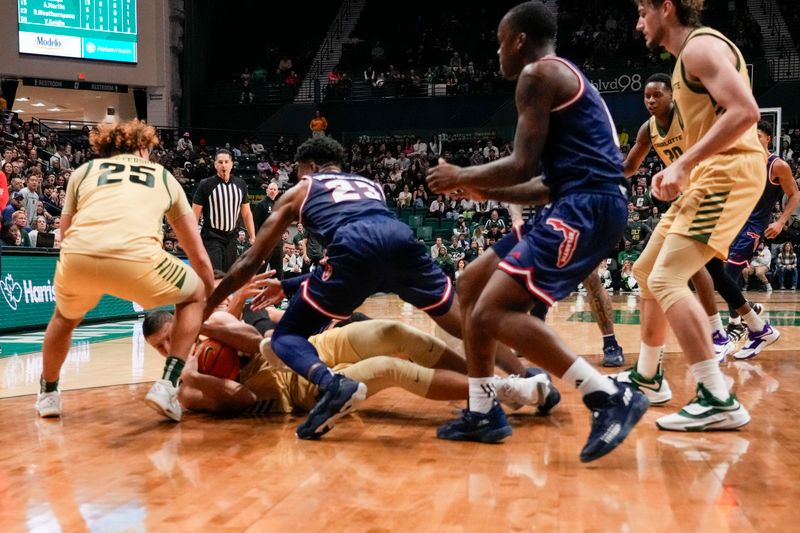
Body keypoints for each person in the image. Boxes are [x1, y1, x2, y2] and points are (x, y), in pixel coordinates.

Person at [426, 1, 648, 462]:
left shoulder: (537, 75)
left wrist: (463, 174)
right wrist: (487, 193)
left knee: (491, 312)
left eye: (500, 42)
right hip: (575, 201)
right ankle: (484, 410)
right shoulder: (560, 77)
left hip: (588, 207)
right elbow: (545, 184)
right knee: (469, 285)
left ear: (519, 39)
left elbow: (521, 163)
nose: (498, 53)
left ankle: (607, 395)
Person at [206, 136, 531, 440]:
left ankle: (332, 385)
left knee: (285, 338)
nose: (298, 176)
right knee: (464, 322)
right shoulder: (369, 184)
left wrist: (208, 304)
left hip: (353, 251)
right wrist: (289, 285)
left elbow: (249, 261)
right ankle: (520, 383)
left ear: (312, 168)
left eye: (300, 170)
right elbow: (375, 245)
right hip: (401, 240)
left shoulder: (303, 189)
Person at [626, 0, 765, 431]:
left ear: (665, 8)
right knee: (647, 270)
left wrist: (682, 164)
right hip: (706, 177)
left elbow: (747, 113)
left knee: (669, 278)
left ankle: (716, 395)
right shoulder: (687, 60)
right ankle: (648, 379)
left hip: (728, 174)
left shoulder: (699, 50)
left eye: (642, 11)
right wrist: (679, 170)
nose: (638, 23)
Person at [34, 119, 214, 422]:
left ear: (108, 148)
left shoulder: (84, 171)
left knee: (63, 318)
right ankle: (168, 385)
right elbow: (196, 253)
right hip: (138, 260)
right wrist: (211, 295)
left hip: (78, 256)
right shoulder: (163, 175)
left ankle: (48, 394)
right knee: (193, 293)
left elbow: (64, 232)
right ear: (143, 148)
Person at [143, 299, 555, 417]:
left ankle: (488, 378)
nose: (166, 351)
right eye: (159, 349)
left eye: (167, 339)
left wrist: (202, 328)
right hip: (299, 389)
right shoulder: (182, 385)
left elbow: (254, 339)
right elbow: (243, 398)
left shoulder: (210, 325)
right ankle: (505, 390)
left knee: (395, 332)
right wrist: (194, 377)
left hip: (308, 348)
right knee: (391, 369)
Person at [621, 71, 769, 366]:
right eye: (647, 96)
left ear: (672, 95)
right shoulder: (647, 129)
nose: (651, 100)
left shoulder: (689, 116)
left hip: (715, 191)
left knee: (680, 272)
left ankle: (718, 337)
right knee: (648, 272)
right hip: (689, 197)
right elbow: (629, 166)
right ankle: (753, 324)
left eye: (657, 95)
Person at [723, 121, 798, 346]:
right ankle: (750, 309)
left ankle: (735, 324)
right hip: (734, 224)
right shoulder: (742, 163)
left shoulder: (777, 165)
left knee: (728, 275)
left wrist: (780, 221)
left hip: (754, 228)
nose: (753, 139)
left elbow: (794, 195)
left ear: (768, 139)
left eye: (758, 135)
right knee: (722, 276)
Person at [192, 149, 256, 272]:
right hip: (211, 237)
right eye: (220, 162)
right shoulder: (205, 184)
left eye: (226, 162)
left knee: (228, 276)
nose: (223, 165)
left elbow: (247, 213)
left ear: (232, 164)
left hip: (232, 237)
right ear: (215, 164)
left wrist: (252, 236)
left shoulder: (240, 184)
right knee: (215, 275)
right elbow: (194, 214)